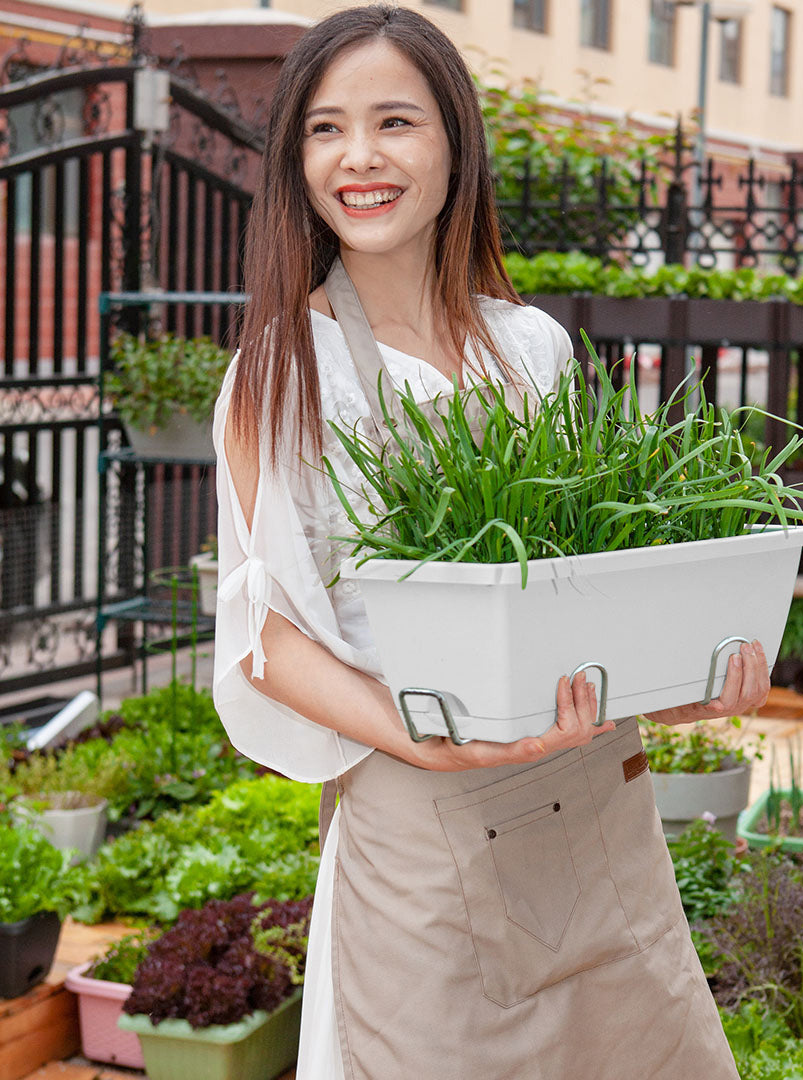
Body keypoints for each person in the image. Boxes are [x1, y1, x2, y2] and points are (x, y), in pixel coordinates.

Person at [213, 6, 769, 1078]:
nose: (359, 157)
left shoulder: (532, 348)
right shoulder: (285, 368)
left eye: (395, 122)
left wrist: (683, 681)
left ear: (455, 144)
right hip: (421, 822)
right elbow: (263, 633)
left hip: (594, 810)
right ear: (294, 160)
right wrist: (421, 736)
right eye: (326, 130)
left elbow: (589, 587)